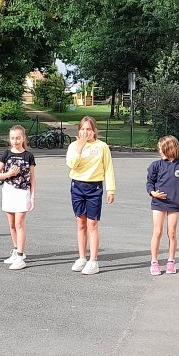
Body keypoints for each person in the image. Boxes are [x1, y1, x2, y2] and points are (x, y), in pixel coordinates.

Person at [65, 116, 116, 276]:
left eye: (88, 129)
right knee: (81, 223)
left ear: (94, 131)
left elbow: (108, 168)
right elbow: (71, 164)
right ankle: (82, 258)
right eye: (82, 129)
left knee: (92, 224)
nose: (85, 132)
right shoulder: (73, 146)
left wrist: (111, 189)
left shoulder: (102, 146)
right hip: (77, 186)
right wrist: (79, 148)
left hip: (94, 187)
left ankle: (93, 261)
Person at [147, 135, 179, 275]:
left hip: (174, 204)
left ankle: (171, 261)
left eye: (161, 149)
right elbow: (149, 183)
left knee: (172, 233)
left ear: (170, 148)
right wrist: (153, 193)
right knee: (157, 232)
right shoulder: (156, 165)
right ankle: (154, 262)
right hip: (158, 203)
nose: (159, 151)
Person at [0, 125, 36, 270]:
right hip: (8, 191)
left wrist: (32, 197)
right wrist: (9, 174)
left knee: (19, 224)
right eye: (12, 138)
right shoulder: (6, 154)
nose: (15, 141)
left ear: (23, 138)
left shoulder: (28, 156)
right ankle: (16, 249)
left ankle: (20, 256)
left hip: (22, 192)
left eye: (18, 138)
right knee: (12, 225)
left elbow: (32, 178)